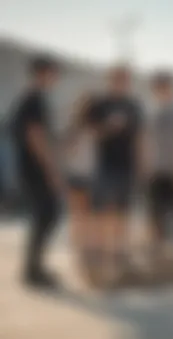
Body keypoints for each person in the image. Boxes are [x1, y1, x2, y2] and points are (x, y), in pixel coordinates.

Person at [11, 55, 63, 289]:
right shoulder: (34, 99)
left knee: (44, 216)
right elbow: (35, 137)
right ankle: (33, 271)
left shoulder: (30, 98)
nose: (56, 78)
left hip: (29, 167)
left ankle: (34, 268)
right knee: (47, 214)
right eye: (53, 72)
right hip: (34, 168)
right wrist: (51, 170)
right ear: (43, 72)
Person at [88, 66, 143, 284]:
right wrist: (108, 127)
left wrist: (141, 166)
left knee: (122, 216)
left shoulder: (133, 106)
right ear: (110, 80)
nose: (121, 83)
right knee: (102, 216)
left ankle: (119, 263)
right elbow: (90, 133)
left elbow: (140, 138)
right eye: (117, 79)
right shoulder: (100, 105)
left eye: (125, 79)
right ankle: (99, 265)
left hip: (126, 167)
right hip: (104, 167)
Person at [144, 71, 173, 278]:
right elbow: (143, 142)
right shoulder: (149, 112)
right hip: (155, 171)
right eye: (160, 87)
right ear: (155, 89)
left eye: (167, 86)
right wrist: (144, 167)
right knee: (155, 218)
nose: (164, 90)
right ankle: (157, 262)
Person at [64, 93, 96, 263]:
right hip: (77, 174)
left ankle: (85, 247)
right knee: (79, 213)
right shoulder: (74, 129)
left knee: (87, 214)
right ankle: (79, 249)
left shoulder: (94, 128)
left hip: (90, 175)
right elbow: (67, 151)